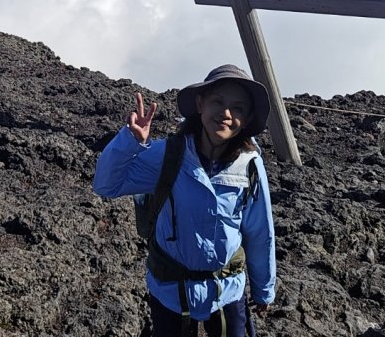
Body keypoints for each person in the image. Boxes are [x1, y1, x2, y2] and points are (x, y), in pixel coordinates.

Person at [93, 64, 277, 336]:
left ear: (247, 119)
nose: (226, 114)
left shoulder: (250, 166)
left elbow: (260, 233)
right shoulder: (169, 155)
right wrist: (131, 141)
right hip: (170, 289)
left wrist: (263, 291)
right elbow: (106, 185)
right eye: (218, 102)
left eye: (238, 108)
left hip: (226, 289)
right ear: (200, 104)